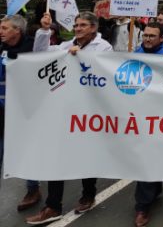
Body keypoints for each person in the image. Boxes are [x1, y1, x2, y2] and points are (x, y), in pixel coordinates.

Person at [27, 12, 113, 225]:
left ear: (93, 28)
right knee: (58, 155)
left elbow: (105, 69)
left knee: (86, 154)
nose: (77, 28)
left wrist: (81, 57)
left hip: (89, 111)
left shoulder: (104, 48)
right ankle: (53, 206)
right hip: (64, 109)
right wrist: (45, 30)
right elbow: (39, 53)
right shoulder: (66, 46)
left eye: (83, 25)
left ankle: (88, 194)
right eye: (75, 25)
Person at [131, 22, 163, 226]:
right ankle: (150, 193)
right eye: (146, 35)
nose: (148, 39)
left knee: (148, 157)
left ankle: (143, 206)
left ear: (161, 38)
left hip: (160, 116)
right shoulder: (138, 51)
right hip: (140, 114)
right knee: (145, 157)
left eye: (152, 36)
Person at [0, 15, 43, 212]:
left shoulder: (33, 48)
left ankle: (32, 189)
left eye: (5, 28)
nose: (0, 31)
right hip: (1, 111)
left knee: (26, 152)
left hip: (24, 111)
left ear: (17, 30)